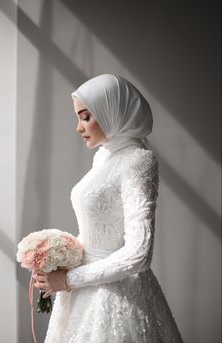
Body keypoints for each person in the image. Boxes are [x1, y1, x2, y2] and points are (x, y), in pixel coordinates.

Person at [33, 74, 184, 342]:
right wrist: (57, 257)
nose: (79, 127)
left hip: (116, 295)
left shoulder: (138, 160)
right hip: (82, 289)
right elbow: (96, 228)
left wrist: (69, 280)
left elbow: (139, 254)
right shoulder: (104, 156)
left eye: (85, 116)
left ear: (112, 111)